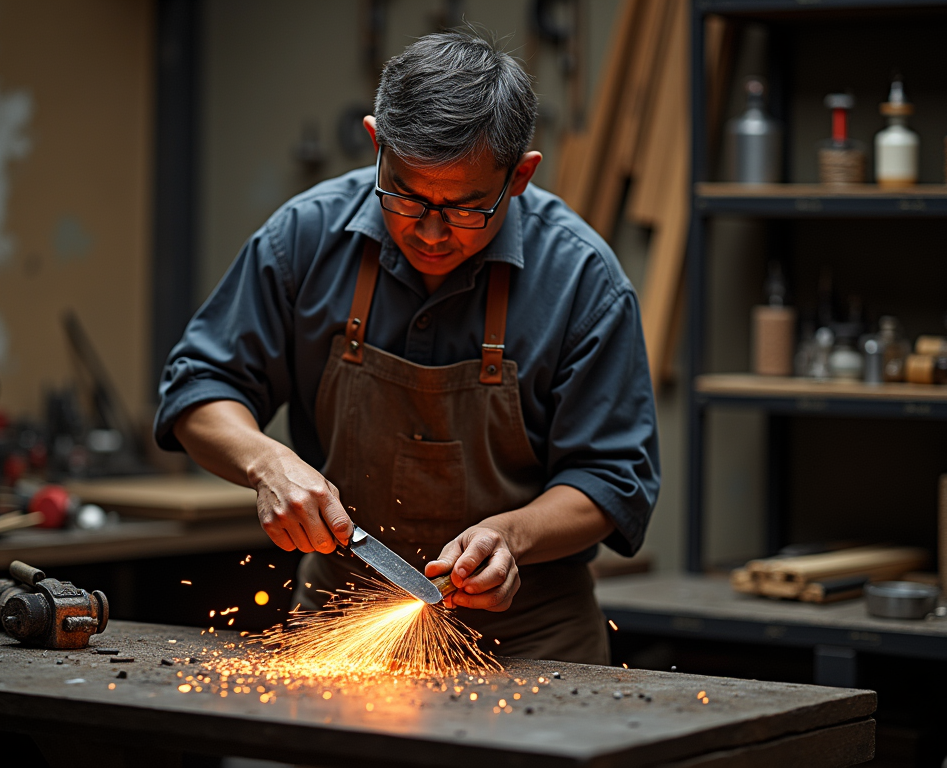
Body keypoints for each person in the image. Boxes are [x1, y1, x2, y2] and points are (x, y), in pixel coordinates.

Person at [155, 30, 659, 665]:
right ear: (376, 145)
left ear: (521, 176)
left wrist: (512, 536)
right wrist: (264, 462)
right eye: (405, 194)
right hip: (345, 629)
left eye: (464, 208)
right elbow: (199, 388)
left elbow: (613, 479)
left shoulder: (583, 280)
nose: (429, 232)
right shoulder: (306, 238)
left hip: (531, 643)